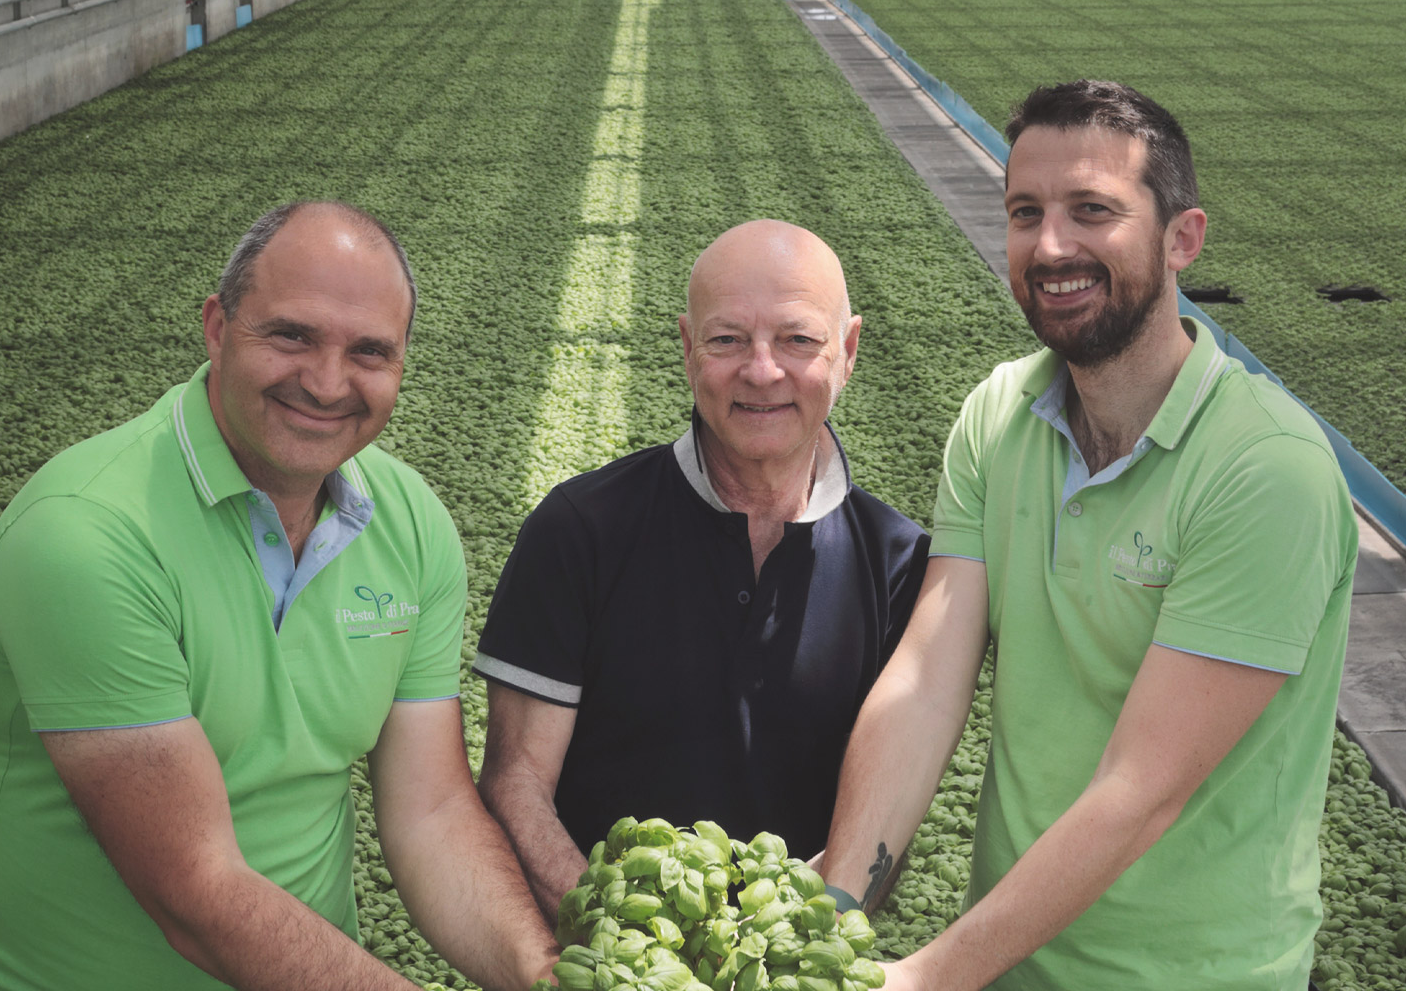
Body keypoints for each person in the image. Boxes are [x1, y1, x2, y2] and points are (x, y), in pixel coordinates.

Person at [820, 80, 1357, 990]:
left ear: (1181, 237)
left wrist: (925, 978)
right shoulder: (1000, 415)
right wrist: (827, 912)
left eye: (1092, 210)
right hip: (1011, 959)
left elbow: (1140, 791)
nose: (1051, 245)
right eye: (1025, 212)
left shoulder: (1266, 469)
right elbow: (926, 683)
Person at [0, 201, 558, 991]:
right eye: (292, 334)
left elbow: (433, 812)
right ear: (216, 327)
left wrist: (553, 976)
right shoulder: (86, 536)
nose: (327, 382)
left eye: (370, 351)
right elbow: (198, 891)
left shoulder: (411, 523)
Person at [474, 219, 929, 923]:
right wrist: (629, 953)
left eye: (798, 340)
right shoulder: (580, 529)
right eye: (727, 340)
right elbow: (514, 781)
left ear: (849, 351)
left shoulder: (899, 565)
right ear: (687, 349)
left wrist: (791, 947)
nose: (762, 370)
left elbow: (884, 814)